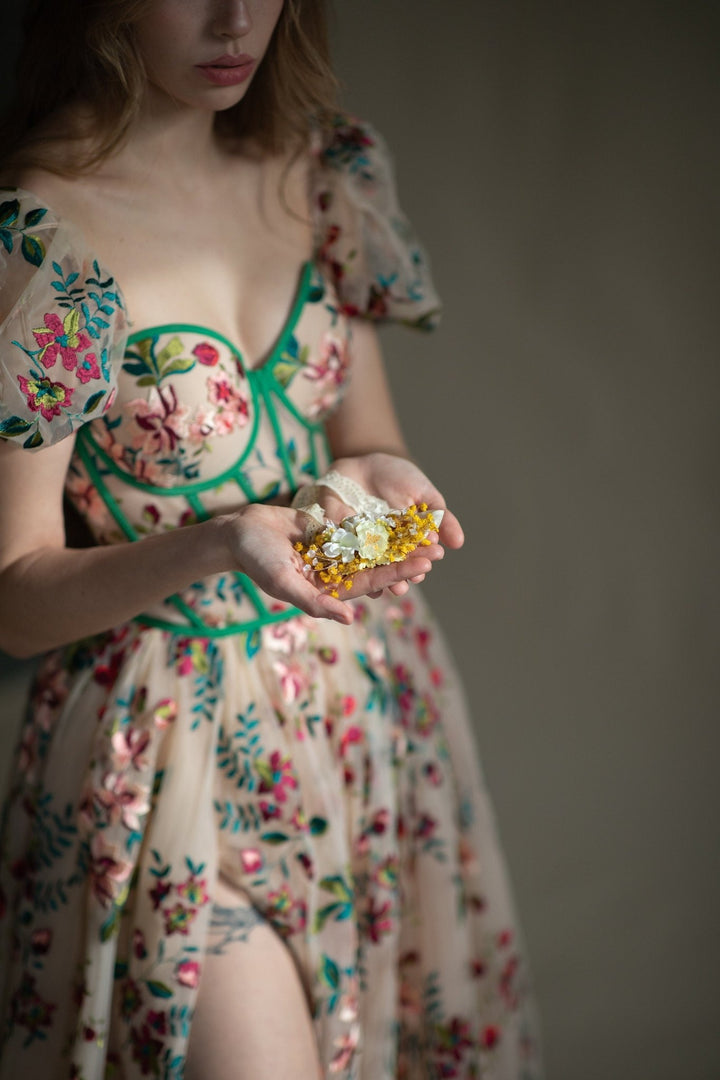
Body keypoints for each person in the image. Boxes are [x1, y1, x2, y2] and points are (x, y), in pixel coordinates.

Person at [0, 1, 543, 1077]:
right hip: (164, 748)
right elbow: (15, 596)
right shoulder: (36, 232)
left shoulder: (318, 174)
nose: (236, 16)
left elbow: (368, 446)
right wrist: (214, 543)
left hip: (363, 712)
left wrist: (374, 495)